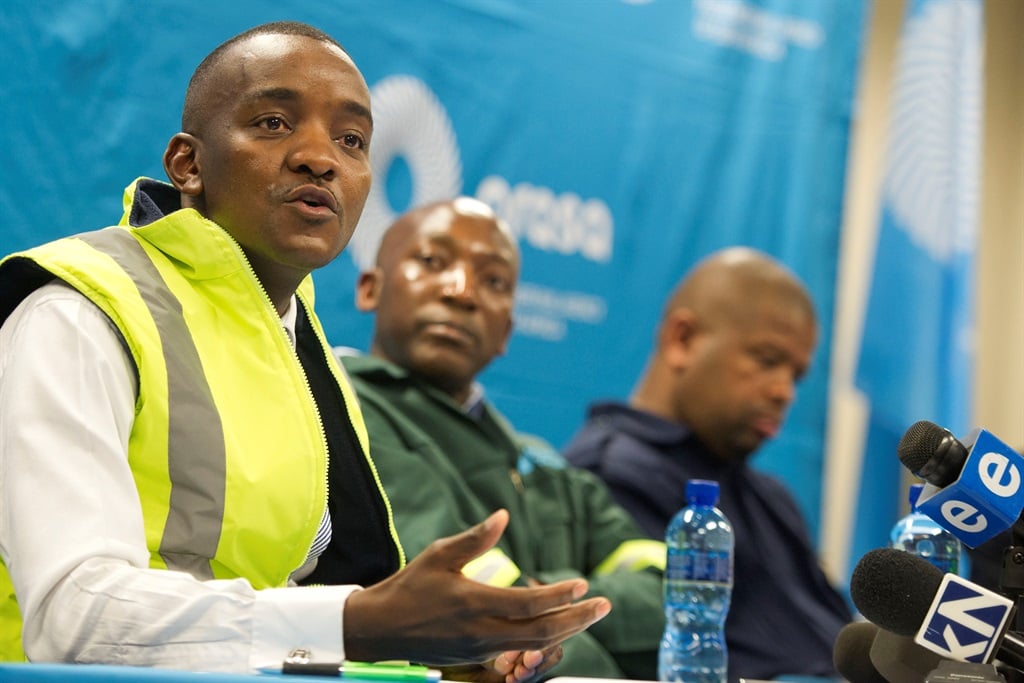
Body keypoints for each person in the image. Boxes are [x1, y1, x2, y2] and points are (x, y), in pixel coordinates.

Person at [0, 22, 611, 678]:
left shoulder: (298, 343)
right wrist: (358, 624)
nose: (320, 157)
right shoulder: (78, 308)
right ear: (189, 164)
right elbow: (73, 614)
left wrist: (442, 658)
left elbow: (290, 603)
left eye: (351, 141)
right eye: (272, 123)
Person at [316, 197, 665, 679]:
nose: (462, 292)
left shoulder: (543, 463)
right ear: (370, 288)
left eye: (494, 281)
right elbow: (482, 613)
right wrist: (578, 618)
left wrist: (549, 592)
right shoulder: (341, 408)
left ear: (507, 331)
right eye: (432, 262)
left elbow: (671, 594)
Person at [563, 247, 852, 683]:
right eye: (768, 360)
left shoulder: (772, 497)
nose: (783, 392)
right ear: (683, 340)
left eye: (796, 376)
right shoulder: (602, 476)